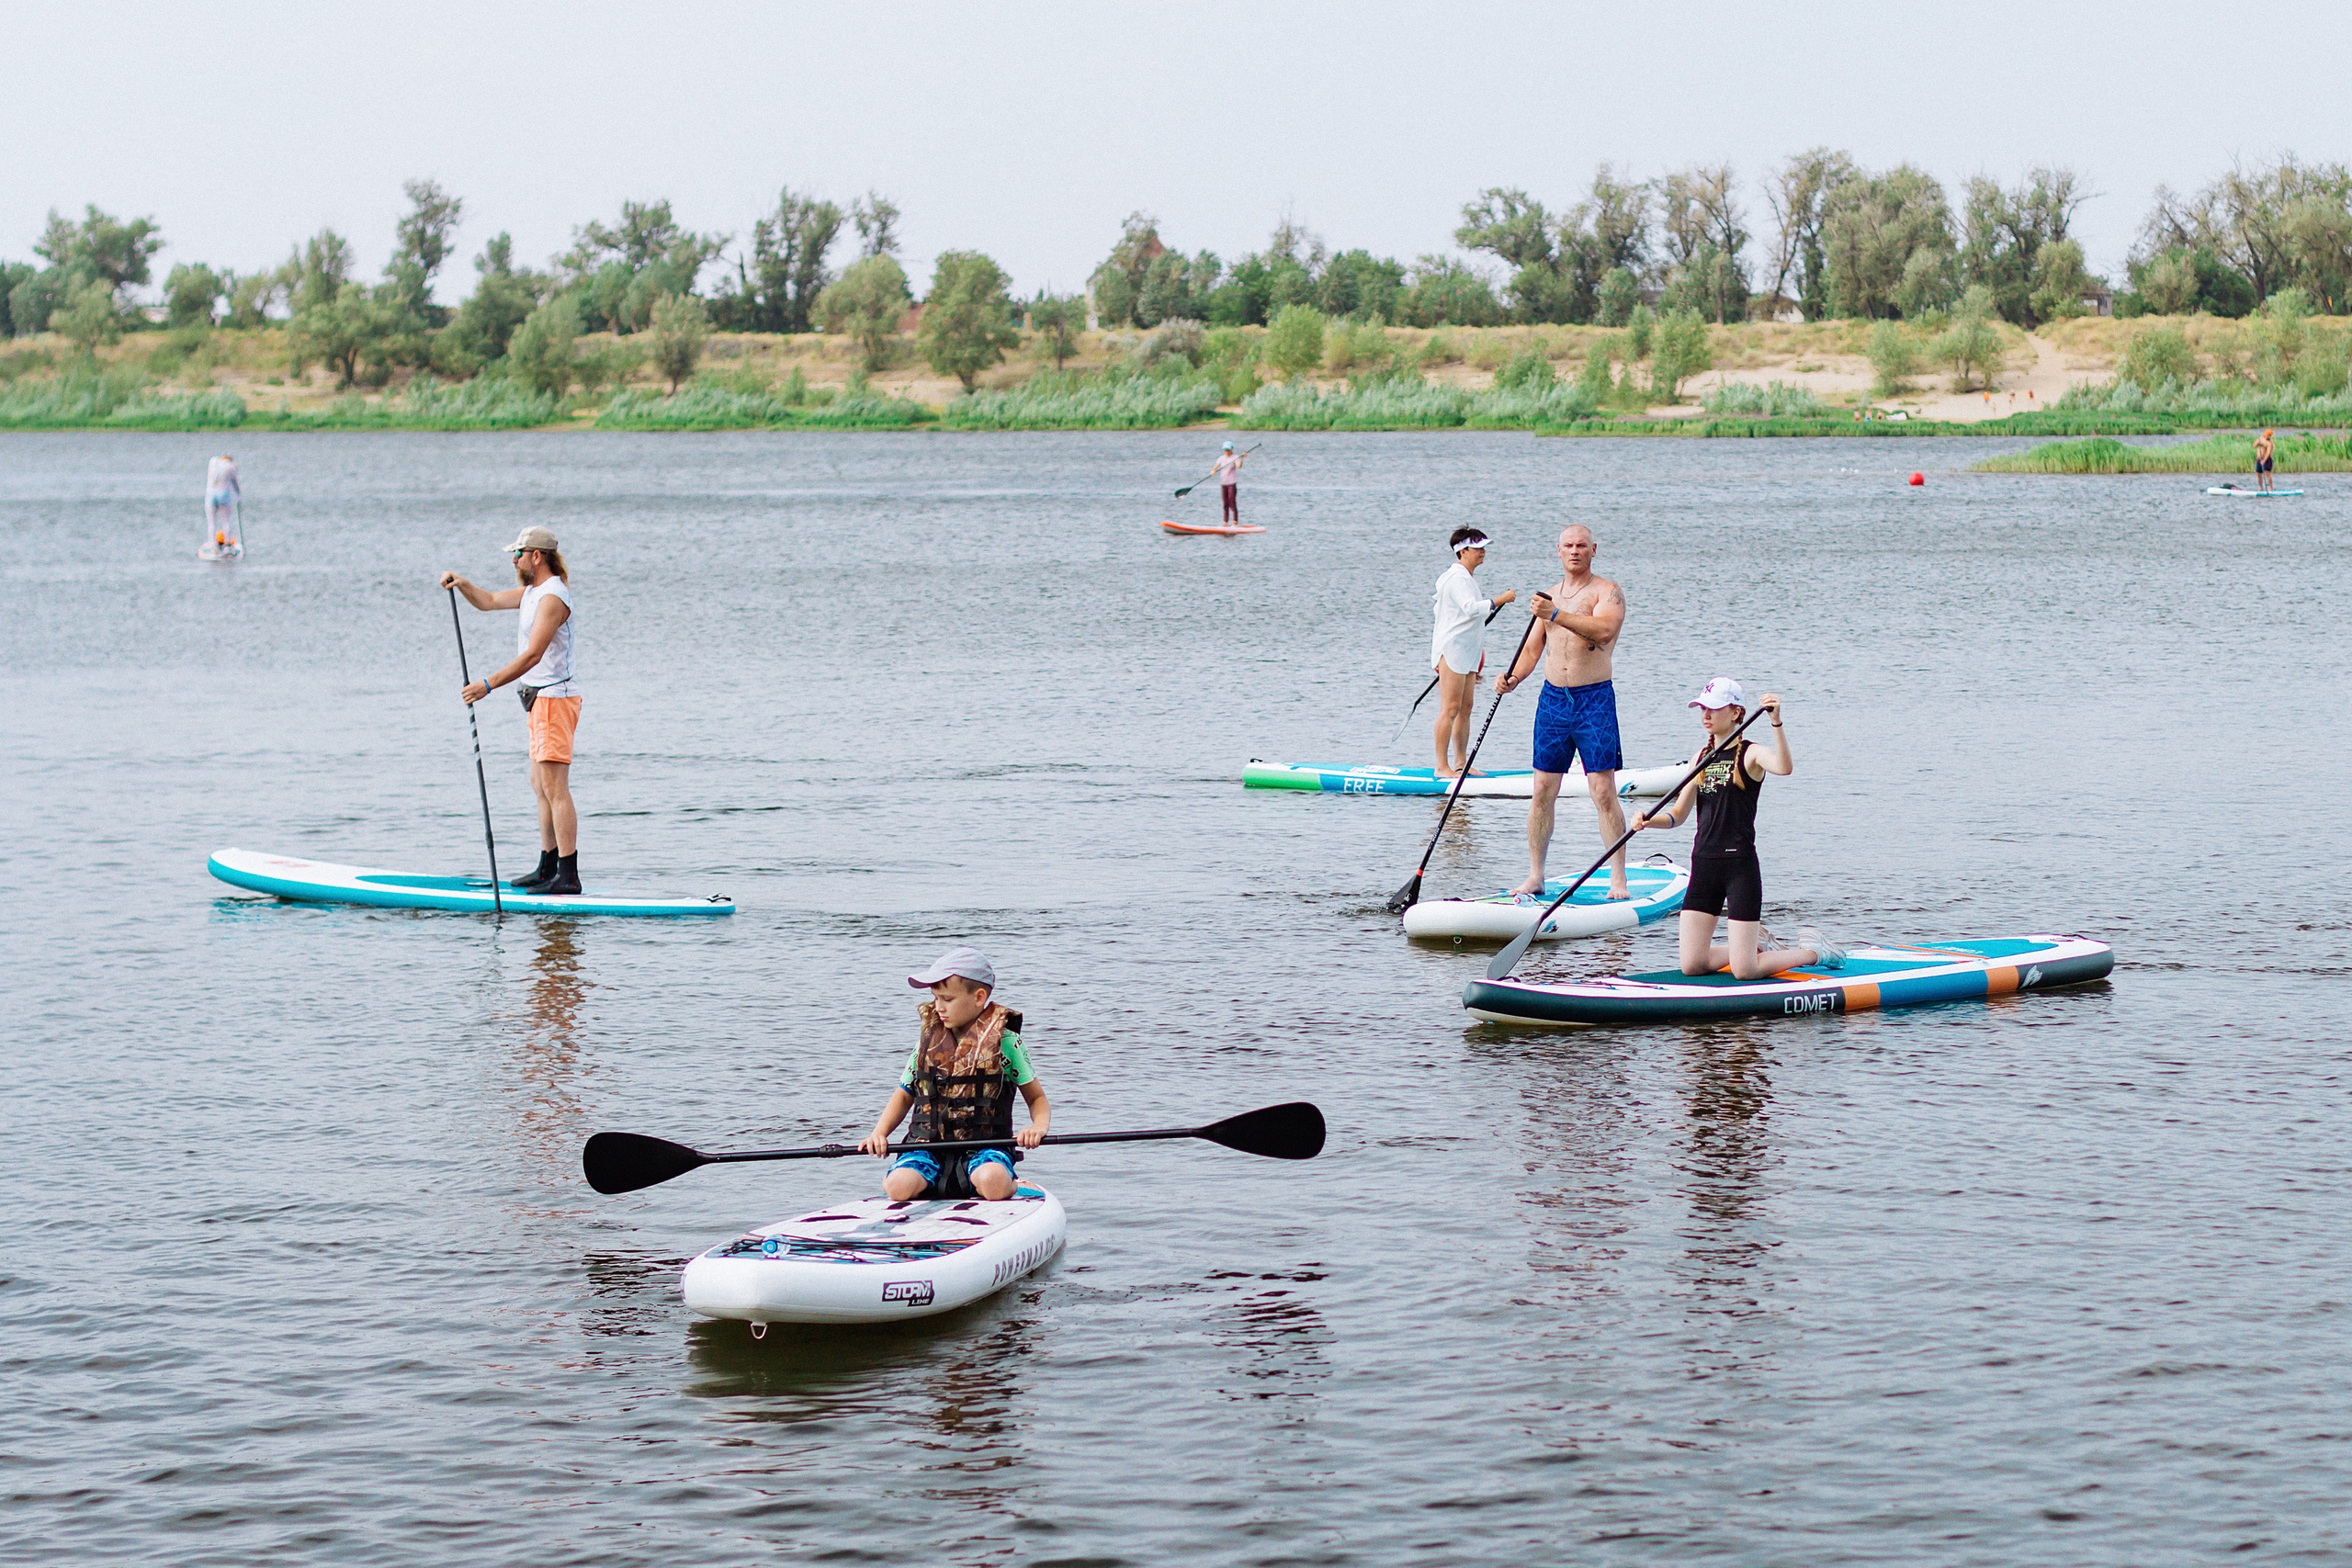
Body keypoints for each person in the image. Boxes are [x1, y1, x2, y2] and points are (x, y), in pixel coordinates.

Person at [1627, 678, 1846, 977]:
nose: (1705, 715)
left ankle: (1814, 952)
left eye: (1713, 708)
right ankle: (1759, 946)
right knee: (1692, 965)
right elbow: (1678, 814)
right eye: (1702, 708)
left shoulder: (1751, 754)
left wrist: (1776, 723)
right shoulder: (1701, 758)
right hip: (1703, 865)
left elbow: (1784, 766)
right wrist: (1650, 821)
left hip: (1738, 867)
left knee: (1744, 971)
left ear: (1735, 713)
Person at [438, 526, 582, 895]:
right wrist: (463, 584)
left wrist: (488, 684)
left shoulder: (553, 597)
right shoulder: (533, 593)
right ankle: (547, 865)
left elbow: (533, 655)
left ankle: (568, 876)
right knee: (540, 785)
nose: (514, 560)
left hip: (553, 698)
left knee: (556, 788)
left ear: (537, 556)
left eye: (518, 553)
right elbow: (487, 601)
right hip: (536, 700)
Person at [1495, 525, 1630, 898]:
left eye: (1581, 546)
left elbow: (1603, 631)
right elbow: (1533, 650)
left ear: (1593, 550)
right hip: (1553, 700)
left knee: (1602, 791)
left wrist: (1555, 613)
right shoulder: (1548, 597)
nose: (1575, 551)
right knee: (1542, 790)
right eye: (1568, 546)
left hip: (1594, 700)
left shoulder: (1607, 591)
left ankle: (1617, 878)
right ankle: (1536, 875)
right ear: (1558, 551)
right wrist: (1513, 678)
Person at [860, 948, 1052, 1201]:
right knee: (897, 1188)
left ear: (979, 997)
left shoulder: (1007, 1043)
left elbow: (1037, 1098)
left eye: (947, 999)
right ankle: (922, 1181)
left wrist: (1038, 1127)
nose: (938, 1007)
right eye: (935, 998)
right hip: (928, 1147)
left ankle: (1016, 1186)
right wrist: (879, 1133)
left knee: (992, 1182)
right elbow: (905, 1094)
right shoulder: (928, 1042)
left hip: (985, 1149)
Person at [1430, 527, 1516, 776]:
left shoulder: (1466, 578)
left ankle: (1460, 763)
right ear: (1463, 551)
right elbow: (1470, 609)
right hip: (1452, 650)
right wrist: (1500, 599)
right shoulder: (1456, 578)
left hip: (1468, 650)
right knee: (1450, 708)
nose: (1483, 552)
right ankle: (1441, 766)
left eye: (1483, 548)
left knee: (1466, 707)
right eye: (1478, 548)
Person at [204, 454, 241, 554]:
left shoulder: (213, 462)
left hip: (210, 494)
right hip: (223, 494)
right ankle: (227, 545)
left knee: (211, 522)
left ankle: (213, 545)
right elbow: (236, 484)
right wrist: (238, 496)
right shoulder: (231, 467)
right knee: (226, 521)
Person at [1213, 441, 1245, 525]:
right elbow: (1216, 467)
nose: (1227, 451)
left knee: (1232, 502)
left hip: (1231, 484)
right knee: (1225, 503)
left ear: (1231, 449)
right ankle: (1225, 522)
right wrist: (1213, 471)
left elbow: (1238, 466)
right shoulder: (1221, 458)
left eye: (1228, 449)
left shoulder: (1235, 457)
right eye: (1225, 449)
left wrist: (1241, 458)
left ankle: (1235, 521)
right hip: (1223, 483)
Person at [2255, 428, 2275, 493]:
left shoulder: (2270, 443)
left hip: (2266, 459)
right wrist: (2258, 443)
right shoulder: (2260, 439)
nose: (2268, 436)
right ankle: (2261, 487)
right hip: (2259, 459)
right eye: (2267, 435)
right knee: (2258, 474)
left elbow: (2268, 452)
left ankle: (2271, 488)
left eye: (2269, 435)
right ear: (2265, 435)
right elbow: (2254, 446)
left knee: (2266, 473)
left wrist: (2264, 460)